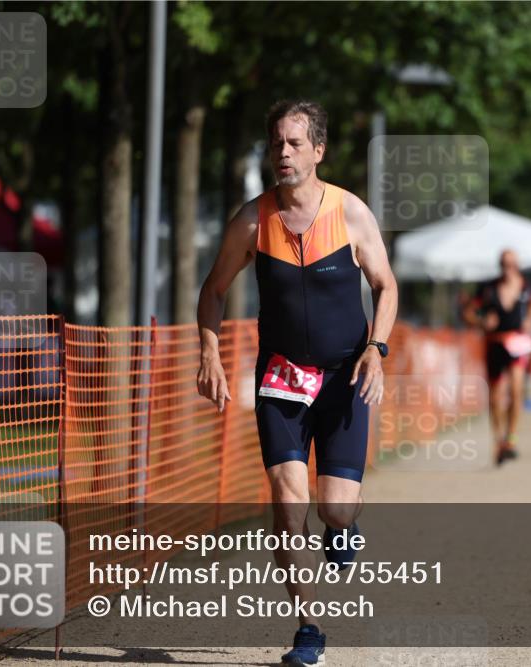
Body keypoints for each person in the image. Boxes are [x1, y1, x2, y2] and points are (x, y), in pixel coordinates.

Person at [196, 100, 397, 666]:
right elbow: (213, 290)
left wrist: (376, 349)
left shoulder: (350, 212)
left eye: (294, 143)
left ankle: (343, 527)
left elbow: (385, 285)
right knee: (288, 505)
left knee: (335, 509)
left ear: (318, 150)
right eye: (276, 143)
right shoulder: (252, 220)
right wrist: (209, 352)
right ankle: (309, 629)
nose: (282, 153)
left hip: (344, 377)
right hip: (281, 377)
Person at [463, 249, 531, 465]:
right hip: (495, 343)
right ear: (500, 265)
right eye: (504, 264)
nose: (508, 268)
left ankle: (511, 439)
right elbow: (468, 312)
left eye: (512, 264)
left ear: (518, 265)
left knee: (516, 390)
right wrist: (482, 321)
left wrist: (530, 320)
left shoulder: (526, 287)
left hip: (517, 345)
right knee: (495, 397)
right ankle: (498, 440)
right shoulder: (488, 289)